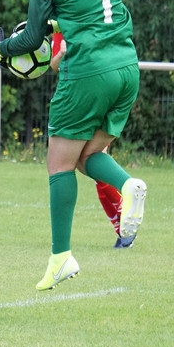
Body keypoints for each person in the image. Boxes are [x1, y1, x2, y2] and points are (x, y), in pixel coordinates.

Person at [0, 0, 147, 291]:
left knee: (59, 165)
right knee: (87, 155)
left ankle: (61, 257)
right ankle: (127, 185)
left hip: (88, 73)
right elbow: (95, 11)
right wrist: (61, 24)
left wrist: (1, 48)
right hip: (126, 67)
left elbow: (30, 39)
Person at [49, 32, 133, 249]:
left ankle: (125, 223)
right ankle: (123, 225)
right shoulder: (60, 28)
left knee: (84, 163)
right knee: (91, 166)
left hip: (90, 97)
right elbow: (54, 65)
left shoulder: (91, 24)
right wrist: (61, 54)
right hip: (78, 99)